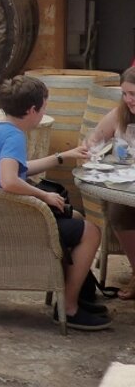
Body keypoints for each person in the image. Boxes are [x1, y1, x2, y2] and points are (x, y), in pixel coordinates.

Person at [0, 75, 106, 330]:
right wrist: (43, 195)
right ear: (32, 110)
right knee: (91, 232)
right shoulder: (15, 137)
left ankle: (76, 292)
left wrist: (61, 156)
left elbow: (16, 169)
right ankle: (71, 308)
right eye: (44, 109)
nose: (44, 114)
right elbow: (9, 181)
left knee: (73, 218)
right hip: (5, 225)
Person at [82, 65, 135, 299]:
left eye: (133, 94)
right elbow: (93, 139)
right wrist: (94, 147)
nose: (128, 99)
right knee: (118, 211)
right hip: (129, 184)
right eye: (125, 94)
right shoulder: (120, 114)